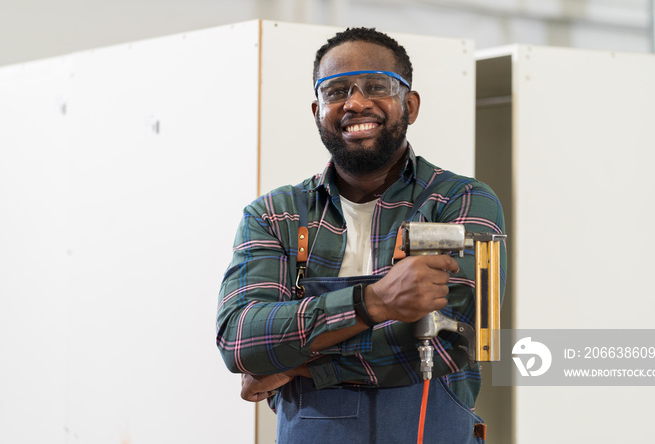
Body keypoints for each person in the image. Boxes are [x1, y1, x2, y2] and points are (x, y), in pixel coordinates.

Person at [216, 27, 506, 443]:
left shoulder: (463, 200)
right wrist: (376, 302)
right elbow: (240, 340)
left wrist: (296, 364)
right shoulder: (275, 214)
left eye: (376, 86)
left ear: (410, 104)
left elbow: (455, 343)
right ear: (317, 109)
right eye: (336, 91)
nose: (355, 102)